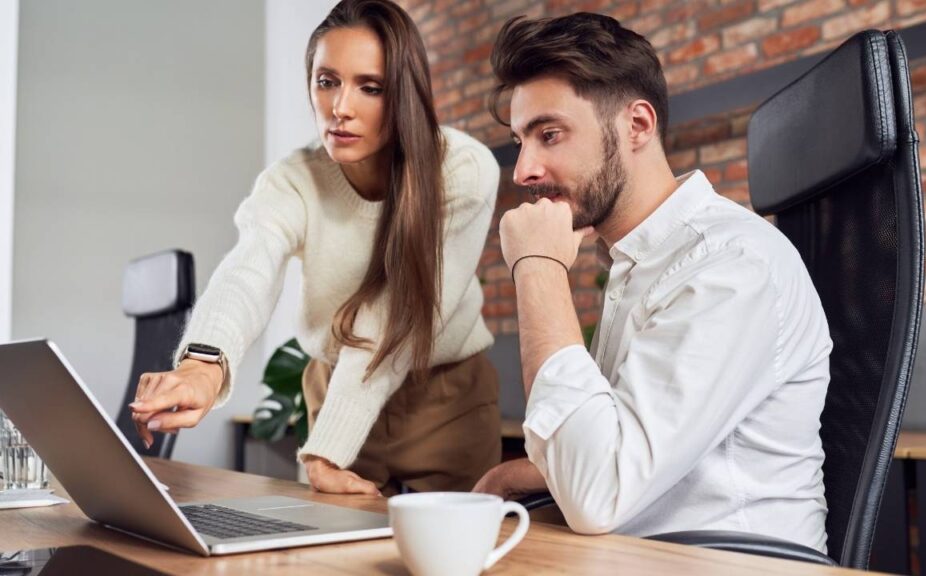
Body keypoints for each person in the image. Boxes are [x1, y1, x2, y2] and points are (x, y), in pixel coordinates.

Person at [472, 13, 833, 553]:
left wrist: (538, 268)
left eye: (549, 135)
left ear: (637, 125)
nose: (523, 169)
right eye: (521, 141)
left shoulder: (729, 266)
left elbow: (601, 491)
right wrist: (515, 476)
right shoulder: (640, 264)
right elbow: (627, 450)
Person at [129, 0, 501, 497]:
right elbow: (248, 269)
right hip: (334, 392)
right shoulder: (293, 180)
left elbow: (397, 316)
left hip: (446, 403)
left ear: (405, 94)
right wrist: (202, 365)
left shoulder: (463, 171)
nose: (340, 108)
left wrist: (326, 447)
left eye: (370, 87)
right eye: (327, 81)